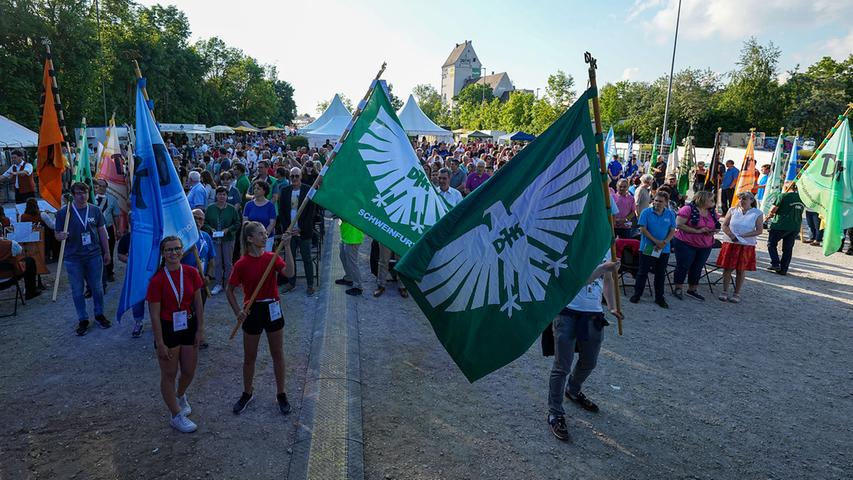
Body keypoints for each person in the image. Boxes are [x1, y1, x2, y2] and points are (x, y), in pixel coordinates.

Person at [547, 258, 622, 442]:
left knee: (589, 361)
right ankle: (555, 413)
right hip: (567, 312)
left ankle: (573, 390)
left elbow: (607, 279)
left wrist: (611, 307)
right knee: (562, 366)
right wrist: (604, 267)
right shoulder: (575, 243)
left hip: (594, 314)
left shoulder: (605, 243)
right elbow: (576, 280)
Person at [226, 221, 295, 416]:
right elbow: (229, 290)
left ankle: (281, 393)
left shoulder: (272, 257)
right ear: (250, 239)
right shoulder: (241, 264)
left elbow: (289, 273)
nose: (266, 236)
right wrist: (237, 311)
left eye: (266, 233)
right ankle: (247, 392)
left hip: (273, 307)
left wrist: (288, 247)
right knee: (250, 357)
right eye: (261, 234)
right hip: (252, 310)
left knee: (277, 353)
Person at [146, 236, 205, 433]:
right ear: (162, 254)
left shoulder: (191, 272)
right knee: (169, 374)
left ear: (183, 250)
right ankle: (175, 415)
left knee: (189, 371)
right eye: (169, 250)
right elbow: (154, 315)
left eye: (177, 249)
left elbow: (198, 303)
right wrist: (159, 342)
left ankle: (180, 395)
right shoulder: (157, 280)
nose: (173, 253)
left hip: (188, 324)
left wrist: (200, 329)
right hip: (168, 328)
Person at [55, 182, 111, 336]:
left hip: (93, 255)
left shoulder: (95, 210)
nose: (83, 195)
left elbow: (102, 232)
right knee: (77, 291)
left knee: (97, 288)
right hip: (73, 258)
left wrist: (107, 252)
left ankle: (99, 315)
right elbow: (57, 234)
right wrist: (61, 236)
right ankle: (83, 319)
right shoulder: (63, 213)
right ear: (73, 195)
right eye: (79, 193)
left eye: (85, 192)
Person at [630, 191, 676, 308]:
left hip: (664, 248)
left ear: (666, 202)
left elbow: (672, 230)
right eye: (655, 200)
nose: (657, 203)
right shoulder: (646, 212)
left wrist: (664, 242)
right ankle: (637, 294)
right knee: (642, 272)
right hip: (649, 246)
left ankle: (659, 297)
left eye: (660, 201)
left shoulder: (670, 214)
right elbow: (643, 229)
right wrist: (656, 241)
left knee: (660, 274)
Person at [671, 191, 719, 301]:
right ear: (702, 200)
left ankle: (692, 289)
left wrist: (714, 231)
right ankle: (678, 287)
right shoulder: (688, 209)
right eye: (711, 200)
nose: (713, 202)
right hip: (686, 242)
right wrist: (697, 231)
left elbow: (716, 225)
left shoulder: (711, 211)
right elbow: (678, 224)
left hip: (705, 244)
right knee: (683, 265)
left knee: (697, 267)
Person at [717, 191, 763, 303]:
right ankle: (724, 291)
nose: (742, 201)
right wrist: (732, 235)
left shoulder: (757, 213)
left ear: (751, 200)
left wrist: (744, 235)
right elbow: (724, 225)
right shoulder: (732, 210)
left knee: (740, 269)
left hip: (746, 244)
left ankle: (736, 293)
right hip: (731, 242)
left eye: (745, 199)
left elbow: (759, 230)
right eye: (740, 199)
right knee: (727, 267)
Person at [277, 168, 316, 295]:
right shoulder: (285, 191)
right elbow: (282, 212)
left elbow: (311, 213)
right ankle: (291, 282)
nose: (294, 178)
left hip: (303, 231)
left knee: (307, 258)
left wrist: (301, 228)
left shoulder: (308, 190)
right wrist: (287, 228)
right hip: (289, 231)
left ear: (301, 177)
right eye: (292, 176)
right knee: (290, 258)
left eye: (296, 176)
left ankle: (310, 284)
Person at [205, 187, 240, 295]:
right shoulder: (210, 208)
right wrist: (211, 229)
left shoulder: (231, 209)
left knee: (228, 262)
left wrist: (228, 230)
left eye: (224, 195)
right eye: (220, 194)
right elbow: (205, 223)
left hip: (228, 239)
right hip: (214, 239)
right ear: (216, 196)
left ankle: (229, 283)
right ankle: (218, 283)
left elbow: (237, 223)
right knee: (217, 262)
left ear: (227, 196)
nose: (221, 197)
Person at [765, 185, 804, 276]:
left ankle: (775, 263)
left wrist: (768, 216)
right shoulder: (801, 198)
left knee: (771, 244)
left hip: (780, 224)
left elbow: (773, 209)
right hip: (795, 226)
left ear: (786, 187)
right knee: (788, 249)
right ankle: (784, 269)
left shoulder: (782, 196)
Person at [94, 179, 120, 283]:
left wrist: (118, 229)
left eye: (102, 186)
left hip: (108, 228)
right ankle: (97, 274)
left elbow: (116, 216)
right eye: (98, 185)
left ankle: (109, 273)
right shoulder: (90, 198)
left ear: (106, 187)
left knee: (109, 250)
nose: (100, 188)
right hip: (94, 229)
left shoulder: (112, 199)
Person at [0, 236, 41, 300]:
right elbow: (20, 251)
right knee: (30, 260)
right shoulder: (10, 244)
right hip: (10, 277)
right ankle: (31, 292)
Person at [243, 181, 277, 250]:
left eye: (258, 189)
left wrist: (263, 236)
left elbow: (272, 223)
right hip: (252, 239)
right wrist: (252, 236)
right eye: (254, 188)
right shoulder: (248, 205)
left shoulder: (270, 205)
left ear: (264, 191)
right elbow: (245, 222)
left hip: (266, 239)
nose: (255, 190)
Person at [336, 220, 364, 296]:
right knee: (343, 257)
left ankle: (358, 286)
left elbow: (347, 215)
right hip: (346, 234)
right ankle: (349, 278)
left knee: (352, 263)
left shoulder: (355, 207)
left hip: (353, 237)